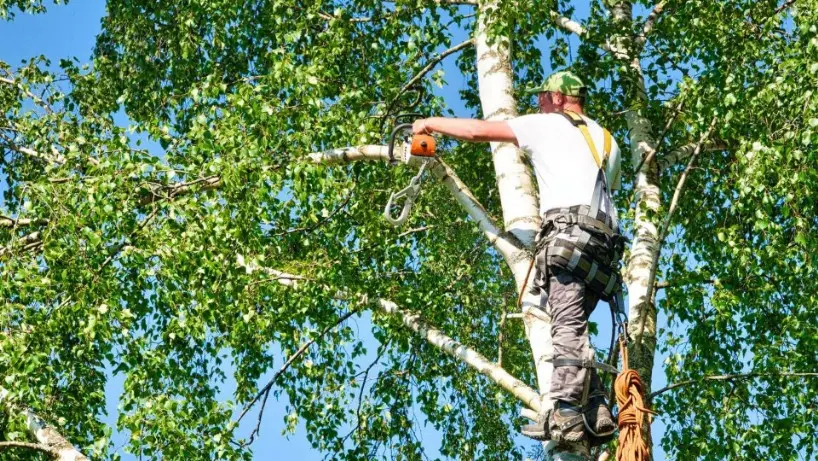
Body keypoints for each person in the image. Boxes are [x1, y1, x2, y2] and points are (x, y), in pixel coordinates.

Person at [412, 71, 622, 444]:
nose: (537, 103)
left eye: (542, 97)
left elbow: (479, 131)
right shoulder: (608, 141)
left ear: (558, 98)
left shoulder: (548, 125)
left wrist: (430, 123)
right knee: (572, 326)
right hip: (603, 253)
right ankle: (598, 408)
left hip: (568, 243)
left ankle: (568, 413)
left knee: (565, 327)